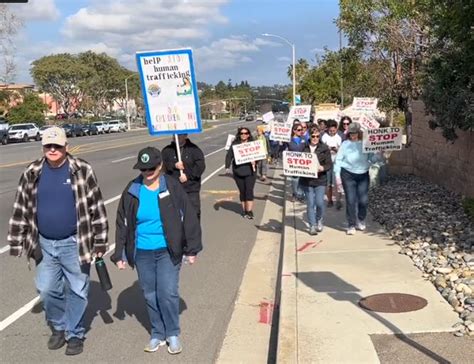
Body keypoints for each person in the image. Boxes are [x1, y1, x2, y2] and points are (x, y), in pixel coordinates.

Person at [8, 126, 108, 356]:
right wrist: (16, 241)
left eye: (57, 146)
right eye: (48, 146)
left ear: (66, 147)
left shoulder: (82, 169)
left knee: (78, 290)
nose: (52, 149)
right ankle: (59, 326)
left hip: (75, 242)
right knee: (46, 289)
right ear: (43, 146)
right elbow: (21, 207)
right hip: (44, 242)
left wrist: (101, 242)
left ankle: (75, 333)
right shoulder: (33, 171)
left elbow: (97, 206)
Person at [111, 147, 202, 355]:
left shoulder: (171, 186)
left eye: (152, 168)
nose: (148, 172)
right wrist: (120, 253)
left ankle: (172, 332)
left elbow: (188, 216)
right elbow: (122, 222)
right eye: (143, 169)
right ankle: (157, 333)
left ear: (160, 165)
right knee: (150, 294)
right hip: (142, 251)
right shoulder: (132, 189)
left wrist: (192, 249)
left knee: (167, 293)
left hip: (168, 249)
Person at [334, 122, 375, 235]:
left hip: (363, 174)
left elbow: (373, 158)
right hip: (348, 174)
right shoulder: (345, 144)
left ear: (359, 133)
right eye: (351, 133)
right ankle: (351, 224)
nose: (353, 135)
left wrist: (379, 154)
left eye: (355, 133)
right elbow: (338, 160)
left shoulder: (365, 143)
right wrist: (337, 176)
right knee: (351, 200)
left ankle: (361, 219)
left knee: (363, 200)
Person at [162, 133, 206, 219]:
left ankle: (194, 231)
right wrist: (174, 165)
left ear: (185, 136)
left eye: (179, 135)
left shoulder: (194, 149)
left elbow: (200, 167)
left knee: (193, 213)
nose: (176, 137)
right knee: (175, 215)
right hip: (173, 188)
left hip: (191, 189)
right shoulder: (167, 150)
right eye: (174, 135)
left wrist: (188, 176)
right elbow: (162, 166)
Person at [299, 126, 332, 235]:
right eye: (313, 136)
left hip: (320, 180)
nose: (315, 138)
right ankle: (312, 225)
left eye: (317, 136)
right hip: (307, 180)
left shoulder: (324, 148)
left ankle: (319, 219)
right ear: (310, 136)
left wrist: (322, 168)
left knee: (319, 202)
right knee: (310, 203)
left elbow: (329, 164)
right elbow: (297, 161)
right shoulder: (303, 147)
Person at [225, 127, 257, 219]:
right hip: (238, 171)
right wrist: (227, 167)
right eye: (242, 133)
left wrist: (256, 161)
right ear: (239, 134)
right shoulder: (235, 144)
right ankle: (244, 210)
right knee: (242, 191)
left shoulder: (253, 144)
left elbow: (260, 155)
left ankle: (249, 211)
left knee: (249, 191)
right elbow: (229, 156)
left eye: (246, 133)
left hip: (250, 171)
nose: (244, 135)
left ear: (248, 134)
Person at [321, 119, 343, 209]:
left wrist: (336, 149)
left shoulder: (339, 138)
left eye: (334, 131)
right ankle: (330, 200)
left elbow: (341, 151)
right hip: (328, 162)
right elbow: (322, 149)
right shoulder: (324, 137)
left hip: (337, 162)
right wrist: (328, 149)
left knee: (338, 182)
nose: (332, 132)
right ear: (328, 129)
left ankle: (338, 200)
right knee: (329, 183)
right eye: (330, 131)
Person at [288, 121, 306, 202]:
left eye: (301, 129)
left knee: (302, 179)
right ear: (294, 131)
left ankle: (301, 195)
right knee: (295, 179)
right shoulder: (289, 140)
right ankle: (295, 194)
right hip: (293, 163)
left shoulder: (304, 139)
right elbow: (283, 150)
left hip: (303, 162)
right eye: (298, 130)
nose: (301, 131)